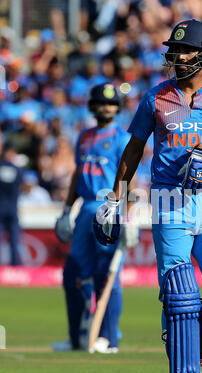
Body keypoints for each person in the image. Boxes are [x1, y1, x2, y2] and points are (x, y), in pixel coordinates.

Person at [93, 19, 202, 373]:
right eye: (173, 51)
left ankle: (193, 355)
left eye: (185, 51)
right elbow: (133, 150)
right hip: (169, 200)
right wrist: (116, 199)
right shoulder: (156, 98)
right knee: (180, 295)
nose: (176, 57)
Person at [53, 83, 138, 353]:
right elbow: (79, 175)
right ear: (92, 106)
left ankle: (108, 338)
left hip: (109, 209)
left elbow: (128, 179)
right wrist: (67, 210)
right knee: (73, 274)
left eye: (111, 104)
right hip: (86, 208)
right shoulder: (85, 136)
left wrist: (129, 215)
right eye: (101, 103)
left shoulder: (123, 138)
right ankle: (77, 338)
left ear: (118, 108)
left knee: (106, 274)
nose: (106, 108)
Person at [0, 142, 23, 266]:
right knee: (14, 240)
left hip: (3, 208)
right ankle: (15, 267)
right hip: (12, 209)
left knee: (14, 240)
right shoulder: (17, 169)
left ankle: (15, 265)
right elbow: (20, 183)